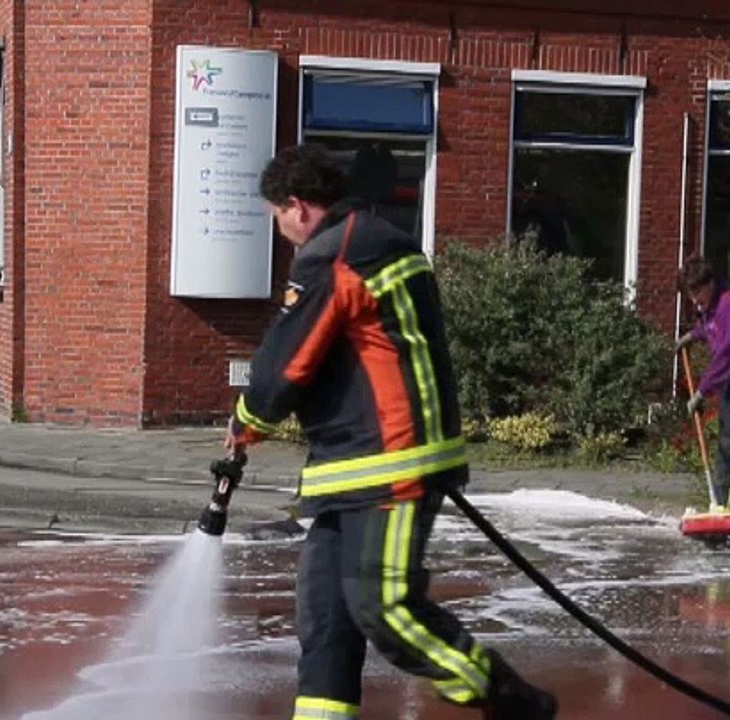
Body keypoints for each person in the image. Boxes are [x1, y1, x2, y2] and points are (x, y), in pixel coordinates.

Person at [226, 144, 557, 720]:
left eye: (277, 217)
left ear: (298, 207)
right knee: (326, 615)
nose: (282, 232)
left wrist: (248, 420)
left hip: (389, 462)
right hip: (353, 463)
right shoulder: (372, 239)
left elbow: (285, 365)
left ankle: (504, 695)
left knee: (384, 607)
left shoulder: (335, 256)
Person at [676, 256, 730, 511]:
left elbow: (728, 352)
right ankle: (724, 506)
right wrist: (693, 335)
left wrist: (702, 391)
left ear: (710, 283)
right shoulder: (713, 305)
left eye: (697, 292)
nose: (694, 300)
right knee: (725, 451)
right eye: (690, 293)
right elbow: (712, 327)